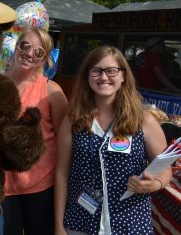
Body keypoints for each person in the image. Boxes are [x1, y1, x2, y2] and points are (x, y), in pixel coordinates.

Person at [55, 46, 172, 234]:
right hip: (81, 222)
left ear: (123, 76)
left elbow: (165, 167)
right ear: (87, 76)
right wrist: (59, 225)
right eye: (96, 71)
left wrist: (155, 184)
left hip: (129, 224)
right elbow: (62, 173)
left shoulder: (144, 121)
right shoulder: (73, 121)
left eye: (111, 71)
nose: (103, 77)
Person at [2, 28, 68, 235]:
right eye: (26, 45)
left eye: (39, 52)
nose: (30, 53)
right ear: (17, 45)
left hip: (40, 185)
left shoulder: (52, 91)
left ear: (44, 59)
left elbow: (64, 142)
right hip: (1, 186)